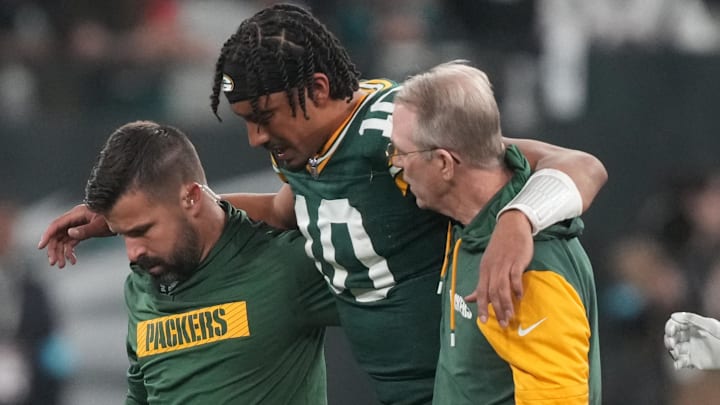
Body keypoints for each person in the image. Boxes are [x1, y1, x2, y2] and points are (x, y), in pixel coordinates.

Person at [39, 4, 607, 404]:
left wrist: (518, 218)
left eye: (264, 118)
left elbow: (578, 164)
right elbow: (294, 212)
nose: (257, 139)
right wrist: (141, 218)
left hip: (471, 380)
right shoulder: (305, 150)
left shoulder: (397, 129)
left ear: (315, 89)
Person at [81, 120, 338, 404]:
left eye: (142, 230)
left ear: (191, 198)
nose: (132, 253)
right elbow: (141, 395)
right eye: (122, 234)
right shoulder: (141, 285)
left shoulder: (285, 267)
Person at [389, 60, 601, 404]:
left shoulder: (531, 274)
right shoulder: (471, 219)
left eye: (400, 151)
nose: (394, 163)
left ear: (444, 163)